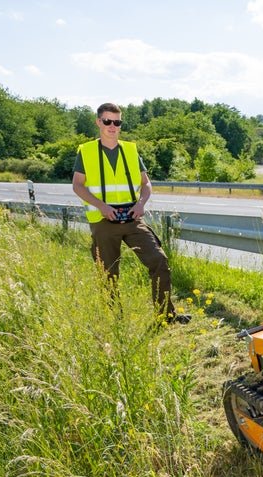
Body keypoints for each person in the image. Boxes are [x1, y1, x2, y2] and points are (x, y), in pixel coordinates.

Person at [71, 102, 188, 324]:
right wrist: (102, 206)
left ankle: (165, 316)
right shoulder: (86, 151)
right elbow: (78, 186)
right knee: (108, 273)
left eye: (117, 122)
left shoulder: (131, 150)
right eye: (107, 121)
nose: (112, 126)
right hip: (103, 220)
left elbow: (146, 184)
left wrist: (141, 204)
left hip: (133, 218)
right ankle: (115, 322)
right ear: (98, 122)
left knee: (159, 260)